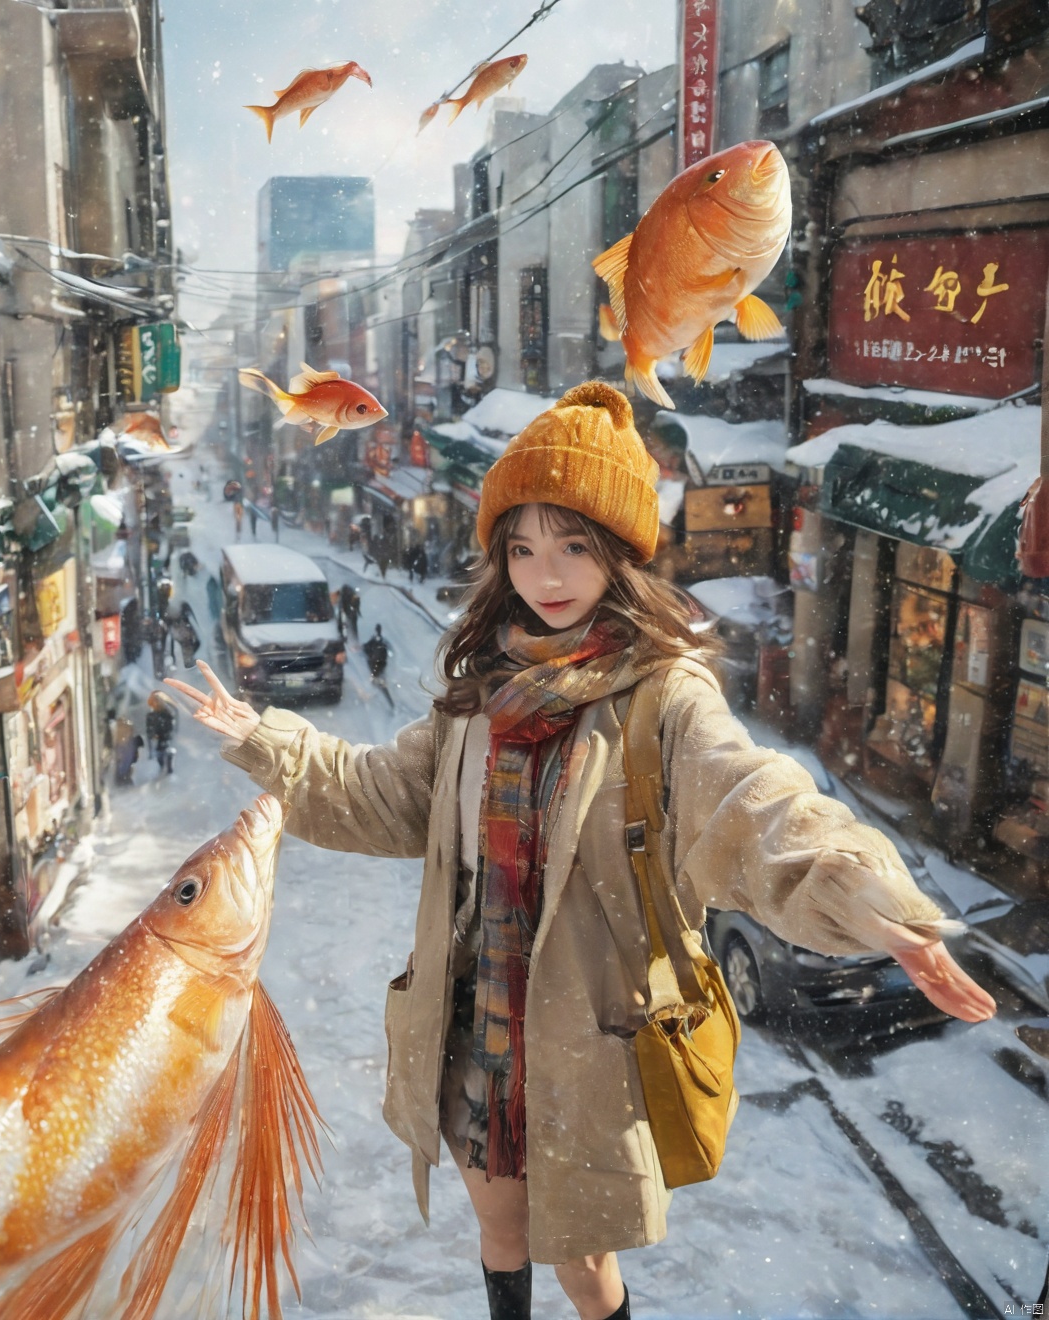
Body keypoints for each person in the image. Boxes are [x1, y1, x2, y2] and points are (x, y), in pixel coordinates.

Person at [165, 381, 994, 1320]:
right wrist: (262, 739)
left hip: (585, 1046)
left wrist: (865, 891)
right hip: (476, 1032)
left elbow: (753, 802)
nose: (543, 575)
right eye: (521, 548)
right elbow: (381, 797)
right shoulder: (479, 698)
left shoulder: (662, 700)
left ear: (619, 555)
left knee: (587, 1273)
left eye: (571, 546)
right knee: (501, 1234)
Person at [146, 692, 177, 775]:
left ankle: (169, 764)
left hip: (166, 735)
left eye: (158, 701)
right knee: (159, 753)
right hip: (158, 737)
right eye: (154, 702)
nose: (156, 703)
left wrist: (167, 733)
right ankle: (163, 765)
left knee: (166, 750)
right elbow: (149, 728)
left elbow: (171, 724)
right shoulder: (151, 715)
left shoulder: (167, 713)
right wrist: (152, 735)